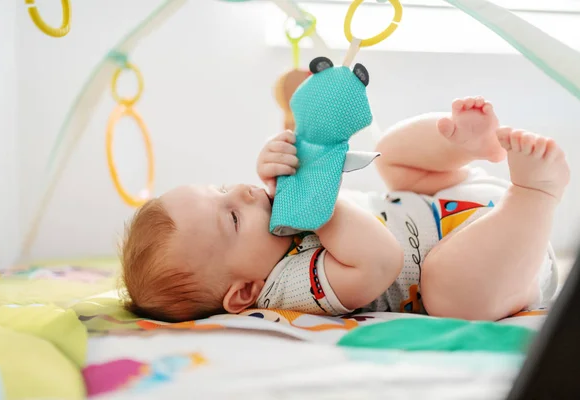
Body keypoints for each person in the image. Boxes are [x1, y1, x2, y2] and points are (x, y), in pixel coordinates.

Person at [120, 96, 569, 323]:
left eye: (223, 189)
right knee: (449, 291)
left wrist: (288, 156)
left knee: (390, 156)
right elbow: (380, 260)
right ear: (243, 292)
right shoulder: (287, 287)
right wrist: (318, 198)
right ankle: (535, 193)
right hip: (502, 258)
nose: (244, 192)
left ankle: (464, 143)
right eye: (232, 217)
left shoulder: (276, 224)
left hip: (444, 201)